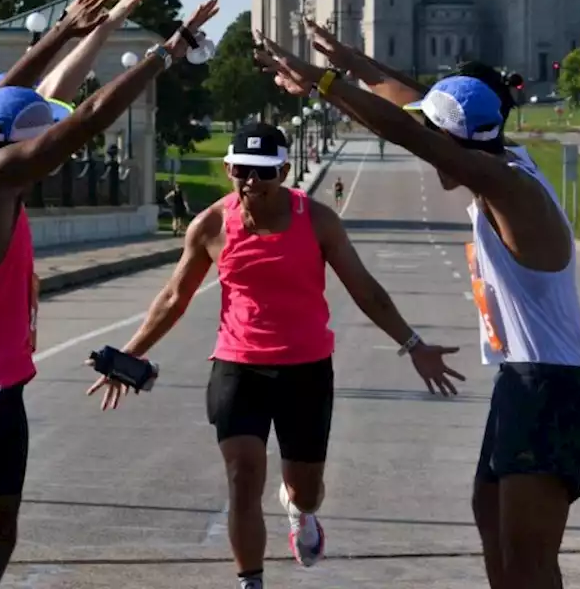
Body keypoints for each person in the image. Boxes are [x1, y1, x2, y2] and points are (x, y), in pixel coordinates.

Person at [254, 21, 580, 589]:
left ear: (456, 144)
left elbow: (409, 130)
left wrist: (325, 82)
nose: (429, 154)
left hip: (552, 389)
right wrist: (352, 63)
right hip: (524, 381)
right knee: (489, 519)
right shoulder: (493, 152)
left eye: (438, 142)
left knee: (529, 557)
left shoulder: (507, 186)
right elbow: (408, 103)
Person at [0, 0, 220, 589]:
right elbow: (85, 119)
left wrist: (67, 31)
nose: (46, 158)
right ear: (18, 151)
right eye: (38, 147)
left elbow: (10, 99)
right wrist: (165, 53)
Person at [87, 122, 463, 589]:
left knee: (305, 490)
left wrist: (414, 346)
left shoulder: (318, 220)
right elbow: (173, 299)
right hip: (237, 366)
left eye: (263, 172)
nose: (251, 181)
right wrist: (128, 355)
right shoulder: (211, 225)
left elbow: (366, 290)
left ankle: (299, 511)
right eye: (241, 170)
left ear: (284, 171)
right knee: (243, 478)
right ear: (228, 168)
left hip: (305, 371)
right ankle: (251, 581)